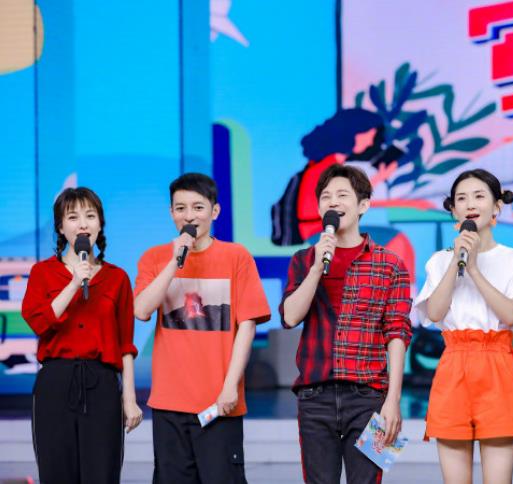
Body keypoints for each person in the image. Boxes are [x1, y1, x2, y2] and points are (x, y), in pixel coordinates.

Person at [134, 173, 271, 484]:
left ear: (215, 211)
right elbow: (141, 310)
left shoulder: (236, 257)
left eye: (198, 207)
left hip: (218, 402)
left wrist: (230, 386)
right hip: (168, 403)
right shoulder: (155, 258)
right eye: (180, 208)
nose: (189, 216)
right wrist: (173, 262)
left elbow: (247, 326)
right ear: (171, 213)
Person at [280, 164, 412, 483]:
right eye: (326, 197)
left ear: (363, 205)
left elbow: (397, 332)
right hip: (314, 397)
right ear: (319, 208)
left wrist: (393, 401)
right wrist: (316, 269)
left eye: (342, 195)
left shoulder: (390, 264)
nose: (333, 202)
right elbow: (290, 317)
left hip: (371, 396)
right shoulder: (303, 260)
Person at [413, 168, 513, 484]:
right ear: (453, 210)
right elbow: (435, 313)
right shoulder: (440, 260)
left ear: (497, 206)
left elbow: (511, 314)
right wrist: (456, 261)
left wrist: (475, 270)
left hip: (498, 367)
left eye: (479, 196)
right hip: (453, 367)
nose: (470, 204)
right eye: (461, 198)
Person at [22, 187, 142, 484]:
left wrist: (129, 399)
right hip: (55, 383)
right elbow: (39, 322)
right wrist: (75, 282)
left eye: (90, 216)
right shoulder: (42, 273)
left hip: (102, 384)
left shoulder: (117, 278)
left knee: (102, 472)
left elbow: (125, 344)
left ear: (100, 224)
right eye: (73, 217)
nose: (83, 224)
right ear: (61, 227)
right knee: (56, 472)